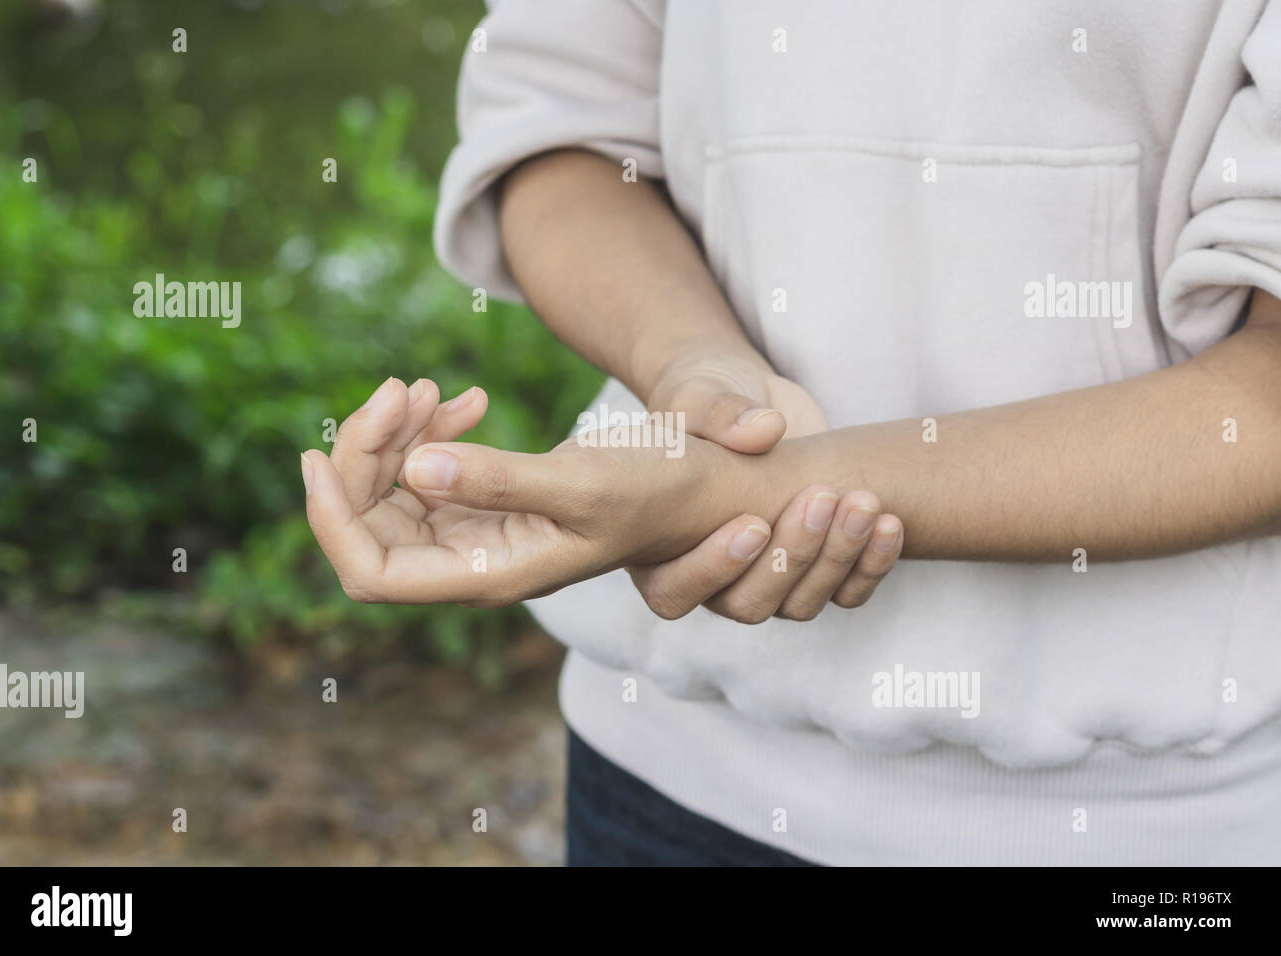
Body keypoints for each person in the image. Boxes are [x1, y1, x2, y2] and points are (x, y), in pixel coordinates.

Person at [302, 0, 1281, 865]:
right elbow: (565, 133)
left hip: (1158, 814)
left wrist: (761, 490)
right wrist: (694, 366)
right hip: (666, 769)